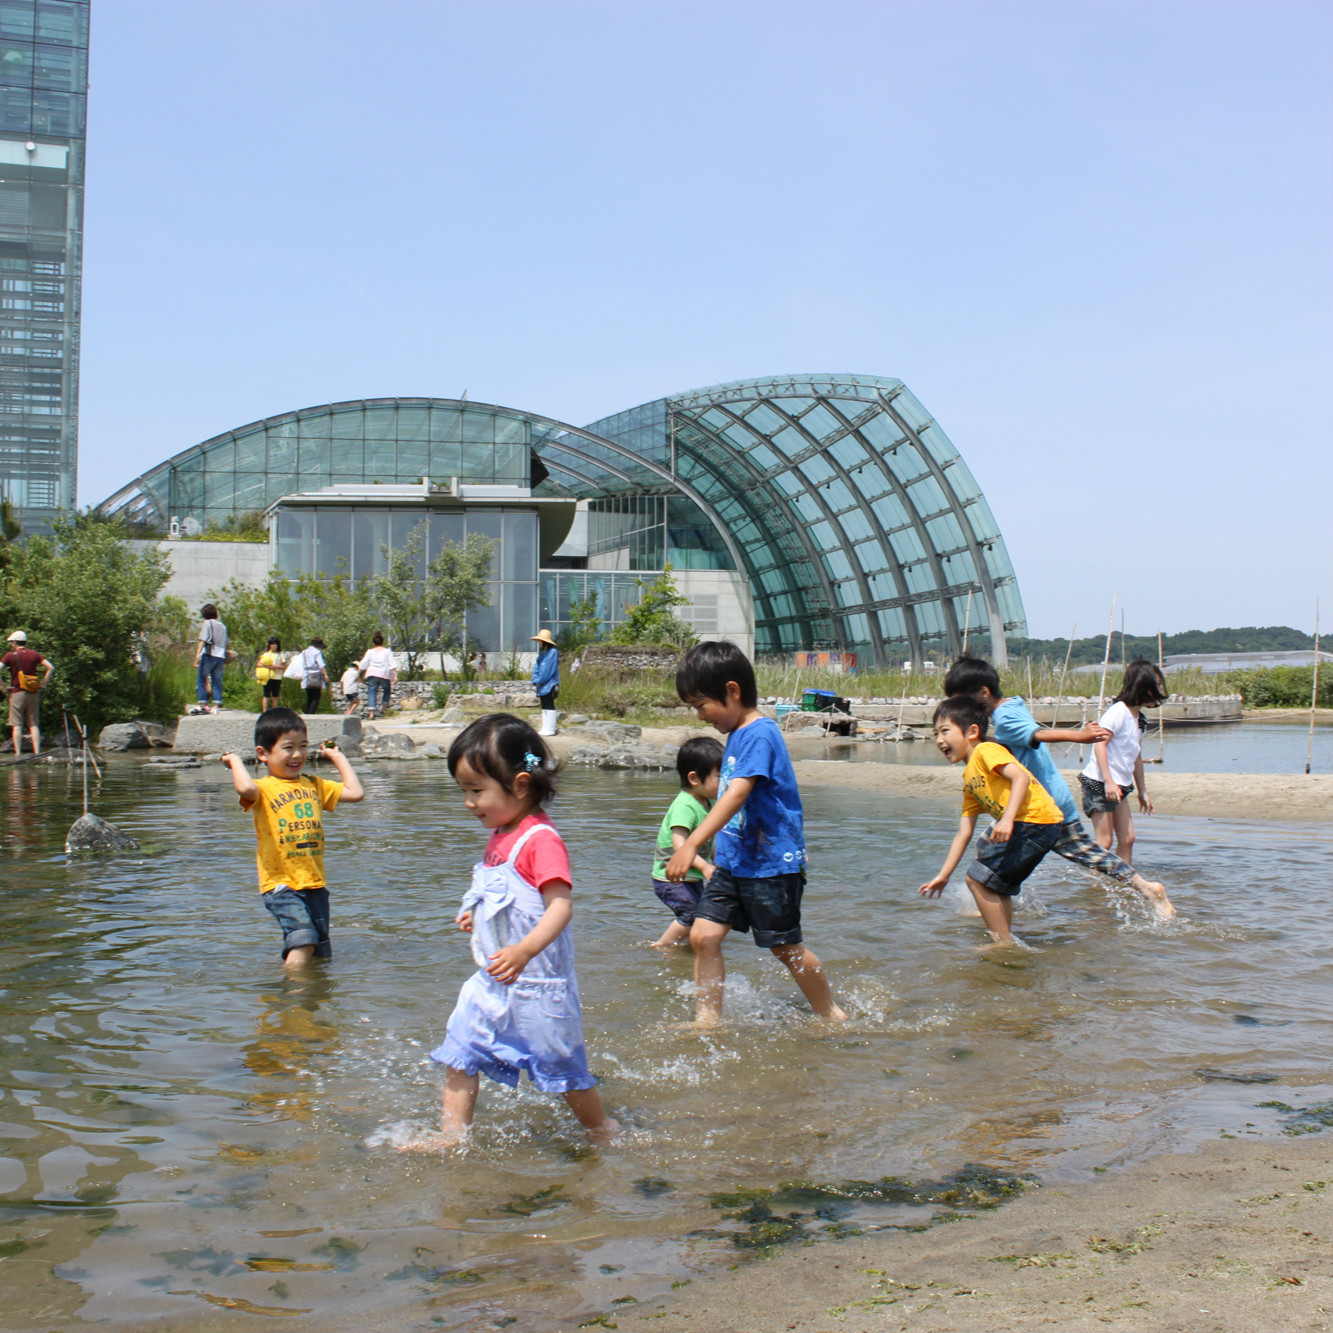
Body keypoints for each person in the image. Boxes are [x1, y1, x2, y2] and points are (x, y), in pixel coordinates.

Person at [426, 713, 617, 1146]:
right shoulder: (501, 833)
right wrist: (477, 915)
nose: (469, 803)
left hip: (539, 985)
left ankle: (603, 1131)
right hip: (494, 980)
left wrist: (526, 949)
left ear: (520, 785)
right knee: (461, 1050)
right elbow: (505, 894)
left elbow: (559, 907)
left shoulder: (540, 840)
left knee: (563, 1070)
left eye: (477, 791)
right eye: (464, 792)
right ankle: (452, 1137)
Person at [665, 641, 846, 1027]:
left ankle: (830, 1012)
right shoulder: (737, 734)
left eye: (701, 705)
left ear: (732, 691)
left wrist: (693, 843)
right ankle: (707, 1020)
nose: (700, 716)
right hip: (733, 863)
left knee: (784, 946)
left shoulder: (761, 733)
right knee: (703, 936)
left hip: (769, 866)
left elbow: (738, 793)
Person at [944, 656, 1174, 919]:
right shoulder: (1012, 706)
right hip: (1042, 801)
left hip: (1044, 806)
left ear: (983, 693)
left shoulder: (1005, 717)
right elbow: (1015, 738)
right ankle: (991, 896)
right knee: (992, 842)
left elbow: (1035, 734)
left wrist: (1079, 736)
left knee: (1087, 854)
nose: (959, 708)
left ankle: (1146, 889)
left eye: (962, 700)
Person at [220, 707, 365, 967]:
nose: (297, 754)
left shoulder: (314, 785)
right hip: (281, 884)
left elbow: (355, 793)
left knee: (320, 952)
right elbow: (244, 787)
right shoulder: (263, 790)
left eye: (303, 746)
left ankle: (287, 977)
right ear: (263, 754)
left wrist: (337, 756)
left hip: (315, 883)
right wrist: (234, 762)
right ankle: (292, 996)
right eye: (288, 748)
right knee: (304, 940)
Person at [918, 696, 1066, 945]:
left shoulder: (986, 750)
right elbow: (964, 832)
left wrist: (1006, 820)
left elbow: (1020, 777)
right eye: (935, 734)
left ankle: (1002, 943)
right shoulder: (970, 778)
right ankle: (1007, 940)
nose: (939, 740)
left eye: (945, 731)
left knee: (977, 879)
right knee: (996, 885)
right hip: (1038, 824)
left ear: (972, 732)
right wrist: (943, 875)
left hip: (1033, 821)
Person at [1081, 659, 1169, 869]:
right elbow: (1100, 745)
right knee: (1105, 841)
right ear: (1142, 687)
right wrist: (1109, 782)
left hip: (1120, 785)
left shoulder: (1139, 719)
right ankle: (1097, 887)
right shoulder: (1118, 711)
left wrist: (1142, 791)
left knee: (1128, 838)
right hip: (1099, 783)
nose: (1157, 693)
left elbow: (1136, 755)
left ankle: (1121, 883)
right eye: (1154, 687)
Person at [650, 736, 723, 949]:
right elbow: (679, 845)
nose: (726, 782)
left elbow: (709, 840)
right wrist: (706, 867)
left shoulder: (709, 802)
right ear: (694, 779)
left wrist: (717, 860)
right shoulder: (685, 805)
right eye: (720, 777)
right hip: (670, 877)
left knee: (702, 914)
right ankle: (662, 946)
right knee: (691, 914)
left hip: (690, 876)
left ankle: (690, 948)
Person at [2, 630, 53, 756]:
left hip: (17, 692)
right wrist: (43, 684)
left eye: (11, 643)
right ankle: (37, 753)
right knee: (34, 724)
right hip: (33, 692)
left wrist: (4, 686)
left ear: (14, 642)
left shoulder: (10, 655)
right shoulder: (34, 654)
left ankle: (18, 754)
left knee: (17, 725)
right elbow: (51, 668)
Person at [194, 603, 229, 713]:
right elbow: (226, 642)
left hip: (209, 654)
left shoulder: (207, 623)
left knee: (201, 679)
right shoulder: (223, 626)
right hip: (220, 656)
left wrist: (197, 657)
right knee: (217, 681)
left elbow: (203, 640)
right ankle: (216, 705)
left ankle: (203, 703)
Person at [357, 632, 396, 719]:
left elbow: (363, 663)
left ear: (374, 643)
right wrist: (395, 676)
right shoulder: (387, 651)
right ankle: (383, 709)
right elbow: (392, 663)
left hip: (372, 674)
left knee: (372, 693)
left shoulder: (370, 652)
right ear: (383, 642)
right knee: (387, 691)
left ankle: (371, 713)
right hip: (384, 674)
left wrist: (358, 673)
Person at [530, 629, 559, 737]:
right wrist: (535, 679)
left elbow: (548, 670)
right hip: (541, 685)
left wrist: (539, 680)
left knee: (549, 705)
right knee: (544, 705)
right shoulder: (542, 653)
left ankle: (551, 728)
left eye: (540, 641)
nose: (539, 643)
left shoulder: (553, 652)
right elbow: (537, 667)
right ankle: (545, 727)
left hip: (549, 684)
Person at [297, 638, 329, 714]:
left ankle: (307, 713)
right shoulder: (317, 652)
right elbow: (321, 664)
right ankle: (312, 713)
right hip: (315, 674)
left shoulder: (304, 652)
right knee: (316, 696)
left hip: (307, 674)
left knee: (309, 696)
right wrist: (325, 675)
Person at [254, 637, 284, 713]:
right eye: (272, 644)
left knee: (275, 696)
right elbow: (259, 664)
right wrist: (269, 667)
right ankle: (264, 711)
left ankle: (274, 712)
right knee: (266, 695)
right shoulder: (266, 654)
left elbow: (284, 666)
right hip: (267, 676)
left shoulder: (280, 654)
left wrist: (277, 667)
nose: (273, 645)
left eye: (275, 644)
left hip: (277, 677)